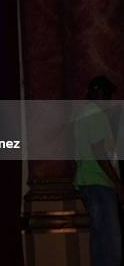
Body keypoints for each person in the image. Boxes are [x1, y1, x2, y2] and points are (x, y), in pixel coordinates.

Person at [74, 75, 123, 266]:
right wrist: (117, 183)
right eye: (107, 94)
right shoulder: (95, 113)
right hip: (98, 182)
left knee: (102, 239)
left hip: (91, 181)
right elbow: (99, 151)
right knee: (110, 242)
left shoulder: (86, 113)